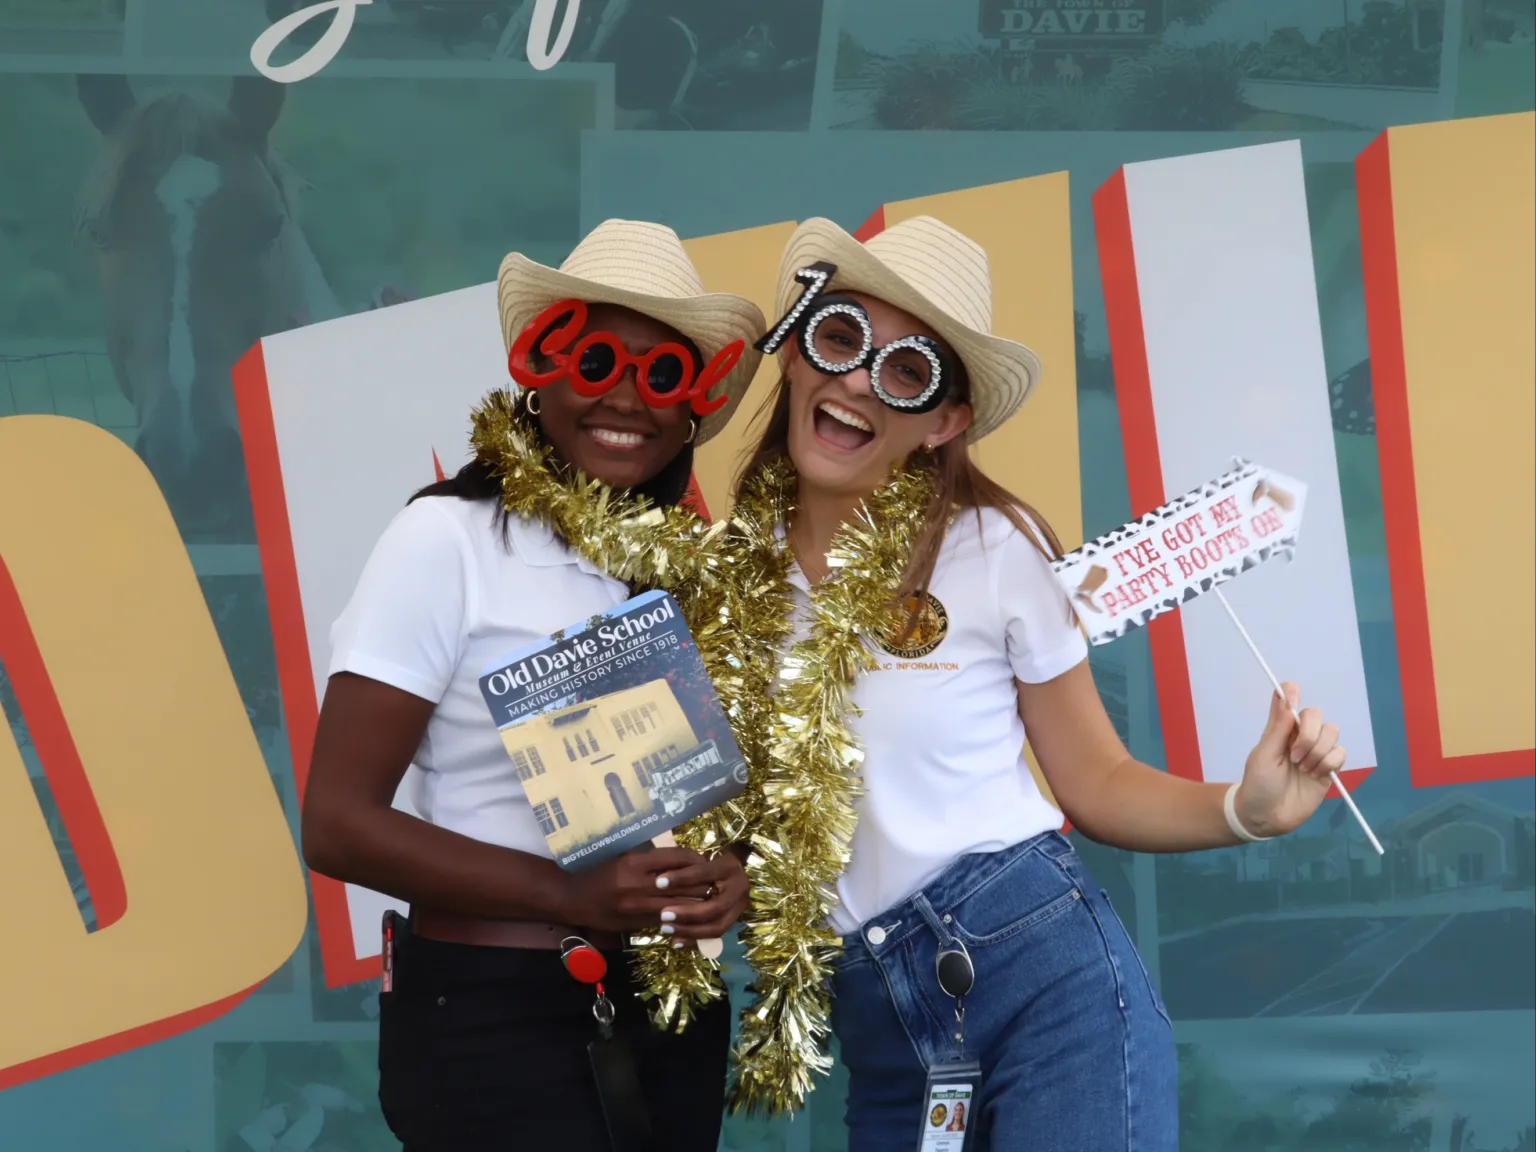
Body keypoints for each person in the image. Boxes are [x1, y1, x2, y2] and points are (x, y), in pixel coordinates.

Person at [726, 216, 1350, 1149]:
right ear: (796, 350)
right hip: (881, 1027)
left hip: (1038, 979)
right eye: (841, 336)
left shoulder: (996, 547)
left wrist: (1245, 814)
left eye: (908, 370)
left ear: (946, 420)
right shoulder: (728, 580)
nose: (857, 379)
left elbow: (1093, 781)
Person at [300, 218, 767, 1151]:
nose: (628, 397)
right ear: (540, 372)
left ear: (694, 408)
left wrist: (735, 880)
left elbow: (705, 802)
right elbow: (337, 822)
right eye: (597, 361)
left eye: (663, 374)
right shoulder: (447, 541)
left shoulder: (691, 573)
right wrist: (568, 896)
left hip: (668, 1015)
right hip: (492, 1017)